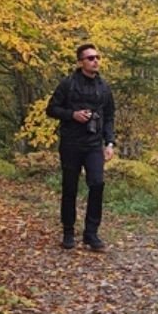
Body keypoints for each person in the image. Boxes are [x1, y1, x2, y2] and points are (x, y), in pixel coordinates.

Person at [46, 43, 116, 251]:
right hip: (70, 143)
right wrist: (72, 115)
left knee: (97, 184)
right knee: (70, 187)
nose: (96, 61)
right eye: (90, 58)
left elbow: (110, 116)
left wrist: (110, 143)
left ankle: (91, 234)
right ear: (80, 62)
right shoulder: (67, 84)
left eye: (97, 57)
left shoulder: (104, 88)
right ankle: (68, 231)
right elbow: (51, 109)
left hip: (94, 144)